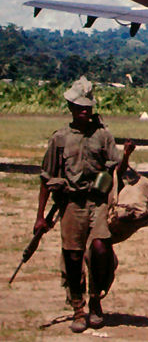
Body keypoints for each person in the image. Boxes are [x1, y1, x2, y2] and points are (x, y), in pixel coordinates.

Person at [34, 76, 134, 333]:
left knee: (100, 247)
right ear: (70, 108)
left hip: (97, 202)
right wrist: (40, 216)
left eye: (88, 107)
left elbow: (117, 170)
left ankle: (96, 299)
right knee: (74, 255)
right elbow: (46, 179)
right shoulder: (60, 139)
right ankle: (78, 306)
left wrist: (127, 155)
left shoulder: (103, 135)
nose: (84, 111)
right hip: (71, 204)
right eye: (79, 107)